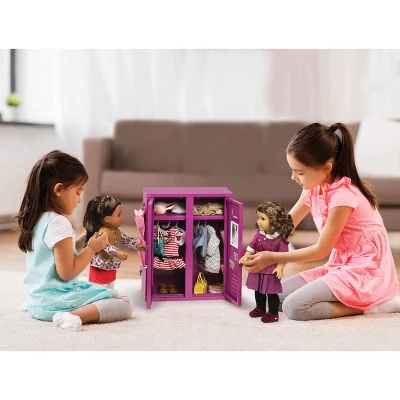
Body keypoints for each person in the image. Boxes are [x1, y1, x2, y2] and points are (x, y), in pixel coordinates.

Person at [244, 122, 399, 321]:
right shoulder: (313, 188)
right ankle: (352, 300)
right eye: (293, 170)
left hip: (366, 270)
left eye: (300, 172)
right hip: (341, 264)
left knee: (295, 308)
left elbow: (320, 250)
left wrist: (273, 257)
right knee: (268, 298)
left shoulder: (343, 197)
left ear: (326, 168)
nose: (293, 177)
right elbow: (285, 227)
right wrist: (253, 249)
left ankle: (373, 307)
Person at [15, 150, 134, 332]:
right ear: (59, 190)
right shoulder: (59, 223)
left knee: (96, 289)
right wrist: (91, 249)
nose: (79, 200)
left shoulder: (37, 219)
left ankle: (38, 307)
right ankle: (70, 315)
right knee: (123, 302)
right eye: (78, 192)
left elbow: (54, 256)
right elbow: (67, 272)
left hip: (37, 300)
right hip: (55, 302)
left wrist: (80, 242)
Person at [239, 201, 294, 323]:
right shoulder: (259, 234)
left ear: (274, 222)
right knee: (258, 290)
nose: (258, 221)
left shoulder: (280, 239)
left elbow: (284, 256)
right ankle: (260, 308)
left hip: (271, 271)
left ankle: (273, 313)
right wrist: (246, 256)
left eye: (262, 218)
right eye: (258, 217)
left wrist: (280, 268)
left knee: (271, 293)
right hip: (258, 268)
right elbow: (251, 246)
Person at [83, 195, 147, 289]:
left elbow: (125, 239)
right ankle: (99, 296)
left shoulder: (116, 231)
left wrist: (136, 245)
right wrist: (116, 252)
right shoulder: (102, 232)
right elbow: (105, 246)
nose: (122, 217)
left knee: (110, 283)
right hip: (100, 266)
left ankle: (109, 294)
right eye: (118, 215)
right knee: (99, 287)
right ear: (107, 219)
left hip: (110, 264)